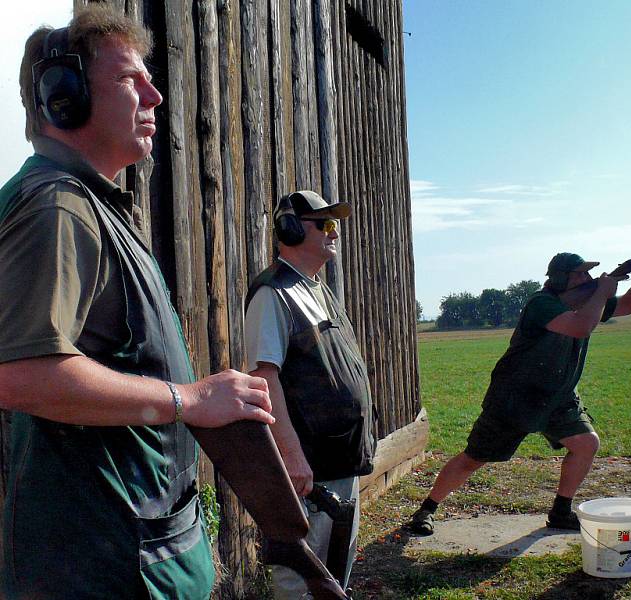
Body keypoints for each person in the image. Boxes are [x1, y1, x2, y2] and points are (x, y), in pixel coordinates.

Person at [0, 7, 275, 599]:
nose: (154, 93)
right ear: (62, 96)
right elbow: (17, 375)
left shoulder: (84, 204)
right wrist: (189, 399)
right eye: (130, 79)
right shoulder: (57, 207)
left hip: (131, 554)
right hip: (104, 568)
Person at [408, 250, 631, 535]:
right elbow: (580, 327)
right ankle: (426, 509)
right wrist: (602, 291)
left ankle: (561, 511)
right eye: (580, 274)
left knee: (586, 443)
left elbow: (626, 306)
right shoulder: (542, 304)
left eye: (589, 274)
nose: (587, 278)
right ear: (562, 278)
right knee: (473, 458)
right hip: (516, 397)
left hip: (558, 396)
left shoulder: (588, 301)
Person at [245, 190, 376, 598]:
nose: (333, 232)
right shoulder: (273, 293)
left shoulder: (316, 288)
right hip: (311, 467)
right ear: (288, 228)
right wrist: (292, 454)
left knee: (336, 568)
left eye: (333, 223)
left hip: (340, 458)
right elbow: (266, 377)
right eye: (324, 223)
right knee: (304, 574)